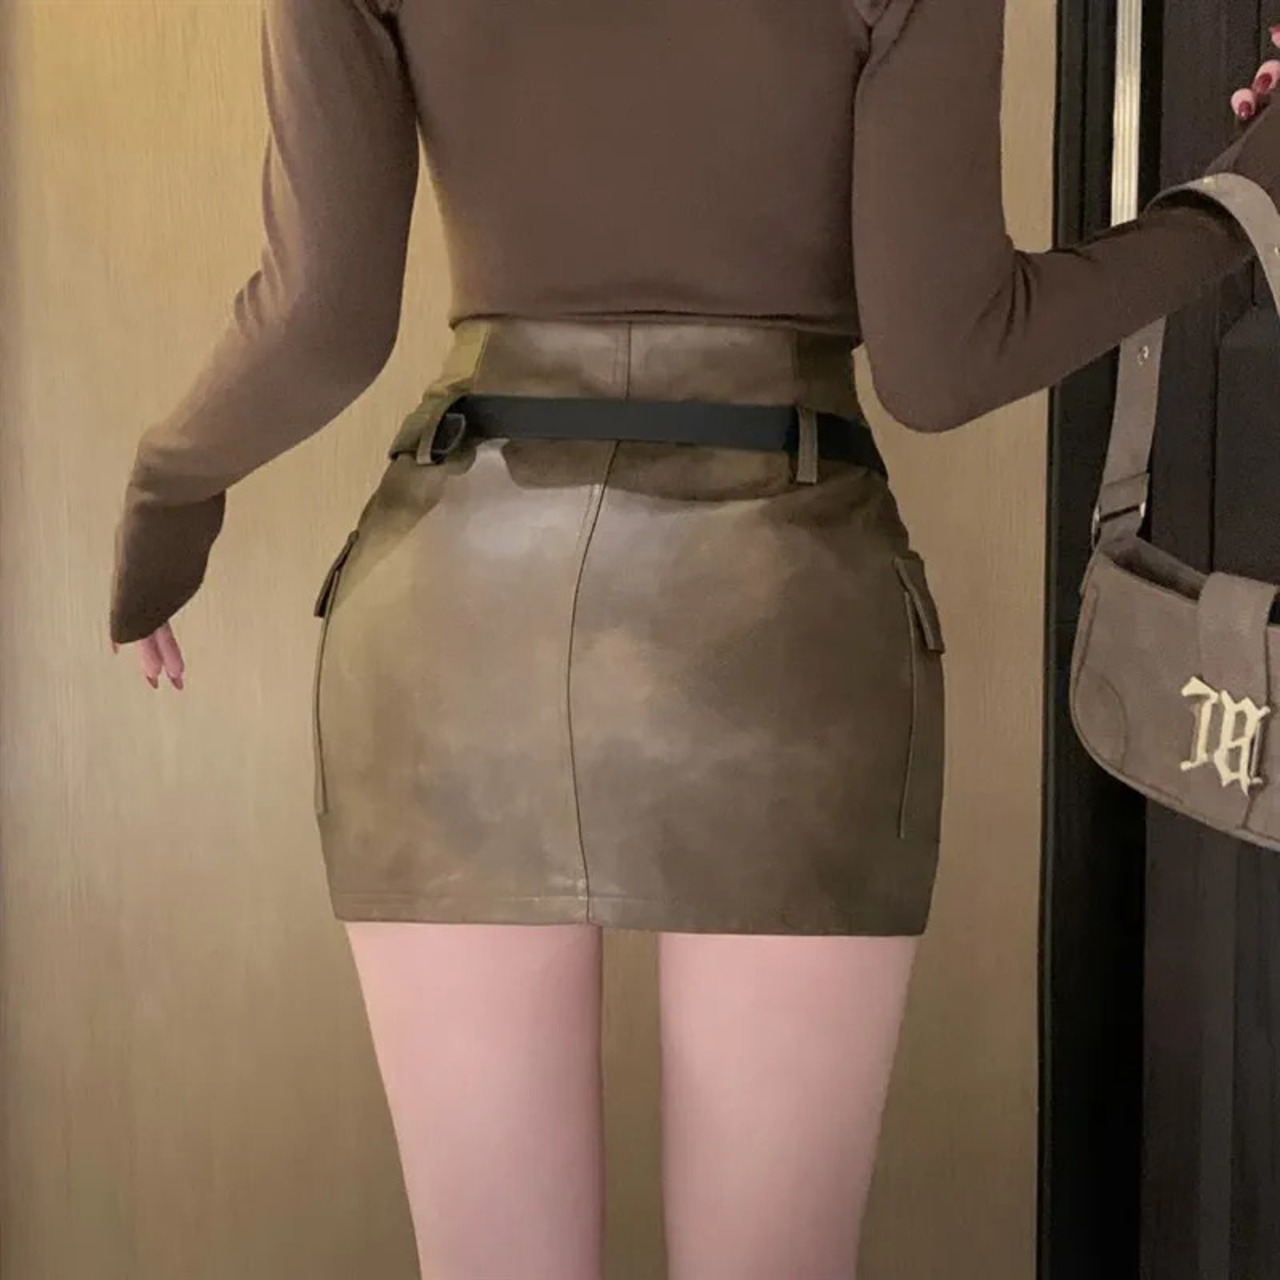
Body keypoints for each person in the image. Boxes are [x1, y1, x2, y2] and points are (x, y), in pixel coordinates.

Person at [107, 3, 1280, 1277]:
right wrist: (1240, 202)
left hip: (458, 612)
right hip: (780, 605)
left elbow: (320, 322)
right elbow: (944, 359)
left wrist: (169, 490)